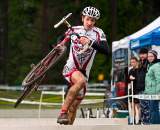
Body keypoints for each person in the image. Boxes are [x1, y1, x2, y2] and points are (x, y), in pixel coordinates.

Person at [56, 6, 110, 125]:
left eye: (93, 20)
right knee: (80, 82)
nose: (90, 22)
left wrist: (90, 42)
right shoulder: (74, 29)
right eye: (88, 19)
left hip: (84, 72)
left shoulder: (98, 33)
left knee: (74, 107)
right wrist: (60, 45)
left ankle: (68, 123)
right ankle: (62, 112)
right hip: (70, 68)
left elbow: (106, 51)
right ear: (82, 18)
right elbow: (61, 39)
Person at [141, 50, 160, 124]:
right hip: (150, 92)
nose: (149, 58)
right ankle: (154, 124)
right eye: (148, 56)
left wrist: (158, 92)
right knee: (152, 109)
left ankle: (156, 125)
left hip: (155, 92)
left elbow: (159, 80)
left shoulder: (156, 66)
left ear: (155, 56)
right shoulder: (150, 65)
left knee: (154, 110)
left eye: (151, 56)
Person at [128, 57, 142, 124]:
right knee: (132, 105)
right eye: (131, 62)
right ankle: (133, 120)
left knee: (138, 106)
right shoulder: (130, 70)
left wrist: (134, 78)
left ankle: (139, 120)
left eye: (133, 62)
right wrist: (130, 78)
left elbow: (140, 79)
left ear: (137, 62)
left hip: (138, 90)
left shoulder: (139, 70)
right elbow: (128, 80)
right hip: (132, 90)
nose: (132, 63)